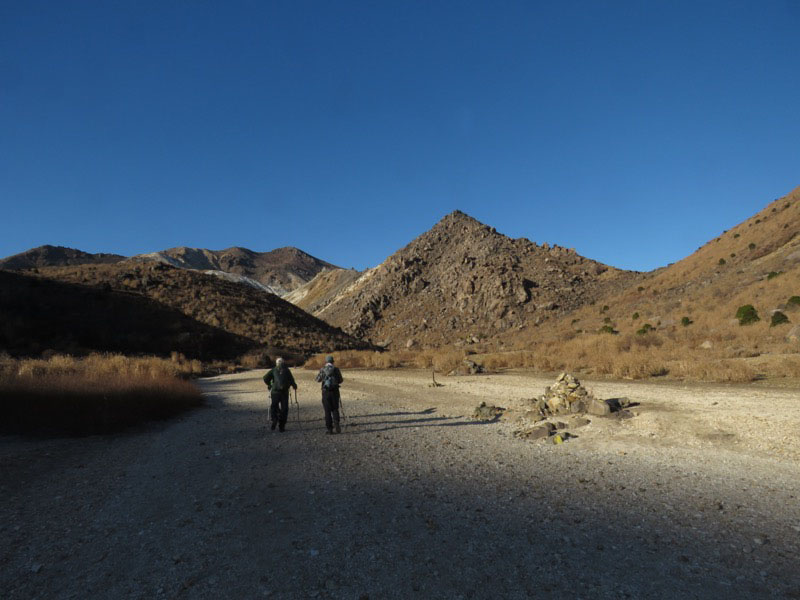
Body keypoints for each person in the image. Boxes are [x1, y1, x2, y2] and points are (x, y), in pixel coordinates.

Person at [263, 357, 297, 432]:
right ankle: (282, 426)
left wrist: (270, 385)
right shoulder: (287, 370)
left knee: (274, 406)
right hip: (284, 392)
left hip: (275, 392)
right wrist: (294, 386)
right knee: (284, 408)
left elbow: (265, 378)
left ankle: (274, 419)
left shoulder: (274, 370)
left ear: (276, 363)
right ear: (283, 363)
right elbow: (291, 380)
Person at [315, 354, 343, 434]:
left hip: (326, 392)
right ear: (332, 361)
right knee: (335, 408)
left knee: (327, 411)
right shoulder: (336, 369)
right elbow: (341, 380)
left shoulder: (323, 369)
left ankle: (329, 429)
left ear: (326, 361)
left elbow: (317, 380)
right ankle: (336, 422)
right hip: (335, 391)